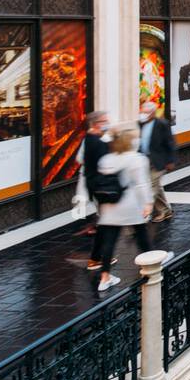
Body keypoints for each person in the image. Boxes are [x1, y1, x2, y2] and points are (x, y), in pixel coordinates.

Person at [92, 127, 157, 292]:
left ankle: (105, 277)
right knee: (141, 235)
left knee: (109, 242)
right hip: (130, 204)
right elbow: (142, 184)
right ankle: (152, 266)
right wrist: (148, 203)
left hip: (109, 206)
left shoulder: (106, 159)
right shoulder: (137, 159)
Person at [79, 110, 111, 269]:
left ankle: (99, 257)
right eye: (105, 121)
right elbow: (106, 166)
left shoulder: (89, 138)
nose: (108, 123)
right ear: (97, 123)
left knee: (106, 222)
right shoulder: (98, 143)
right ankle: (98, 259)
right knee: (107, 224)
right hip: (102, 188)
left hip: (95, 187)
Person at [139, 101, 177, 222]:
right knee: (156, 187)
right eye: (142, 112)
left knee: (152, 187)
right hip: (144, 160)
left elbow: (170, 143)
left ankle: (144, 213)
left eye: (145, 113)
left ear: (153, 113)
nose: (143, 115)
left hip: (158, 160)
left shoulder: (162, 124)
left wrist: (171, 160)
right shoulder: (140, 124)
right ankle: (166, 210)